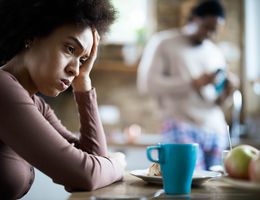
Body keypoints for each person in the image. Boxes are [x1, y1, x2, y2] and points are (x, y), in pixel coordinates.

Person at [0, 0, 127, 199]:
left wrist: (83, 82)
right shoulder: (2, 89)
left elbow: (94, 159)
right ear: (32, 35)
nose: (75, 69)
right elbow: (84, 175)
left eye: (83, 60)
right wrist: (117, 163)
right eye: (69, 49)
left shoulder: (36, 105)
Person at [137, 0, 238, 170]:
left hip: (216, 130)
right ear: (193, 19)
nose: (210, 34)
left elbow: (216, 100)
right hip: (180, 124)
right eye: (207, 27)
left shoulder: (214, 52)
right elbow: (147, 85)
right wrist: (193, 83)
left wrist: (228, 91)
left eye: (215, 30)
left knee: (216, 191)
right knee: (187, 186)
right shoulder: (164, 43)